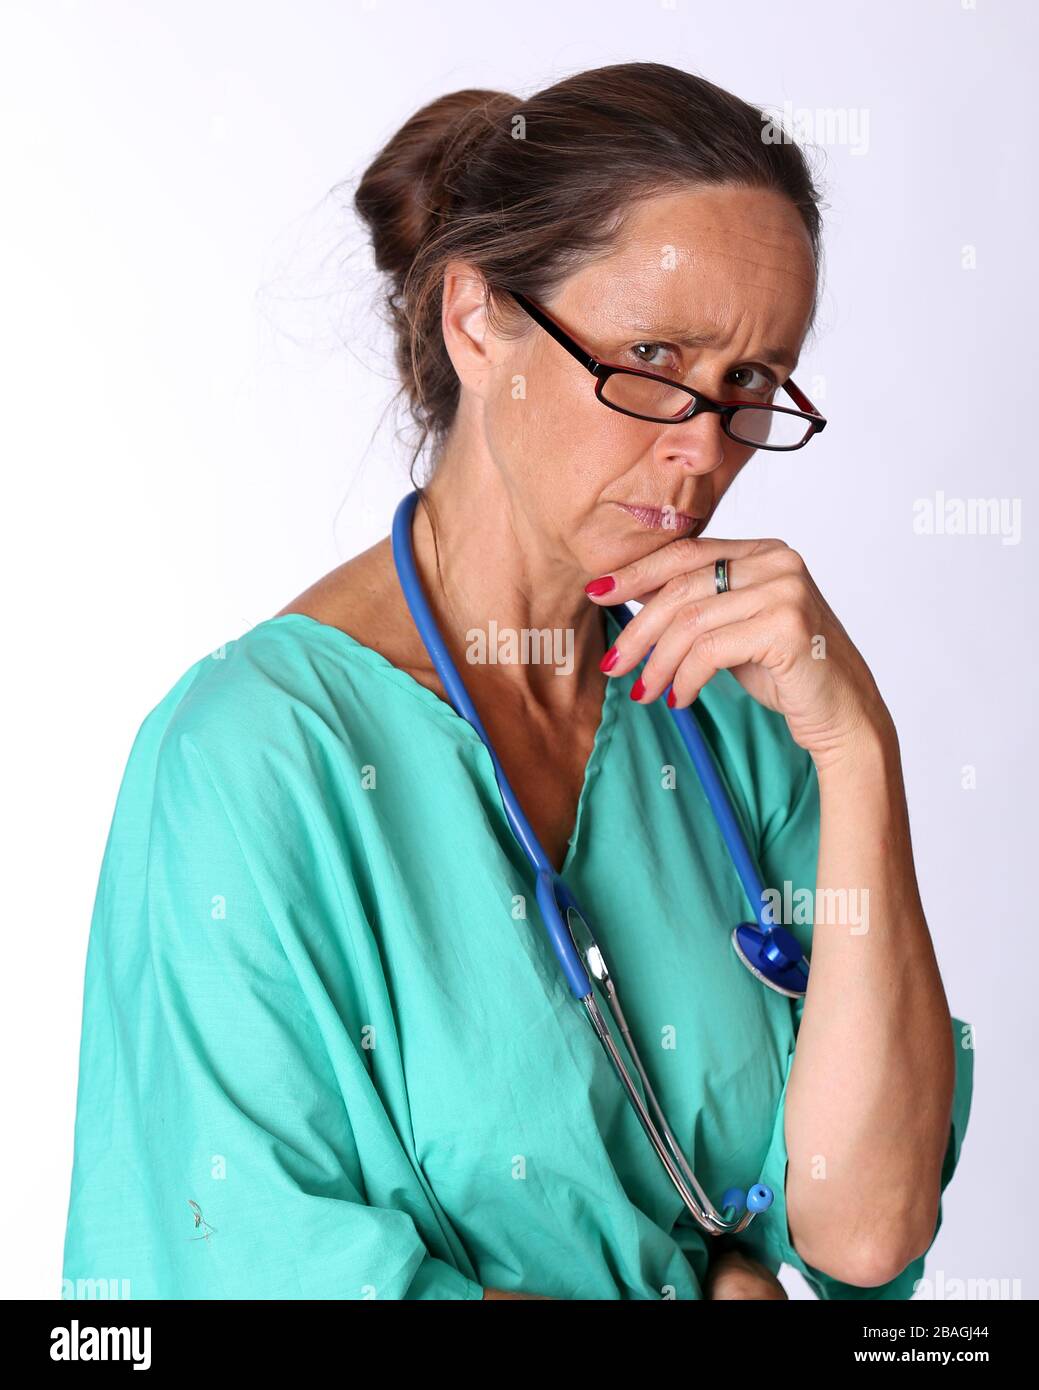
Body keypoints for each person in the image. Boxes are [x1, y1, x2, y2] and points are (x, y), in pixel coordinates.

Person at [61, 61, 973, 1301]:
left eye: (752, 382)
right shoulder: (248, 762)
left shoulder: (742, 713)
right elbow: (236, 1262)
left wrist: (860, 751)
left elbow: (862, 1232)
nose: (702, 448)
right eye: (652, 355)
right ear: (475, 318)